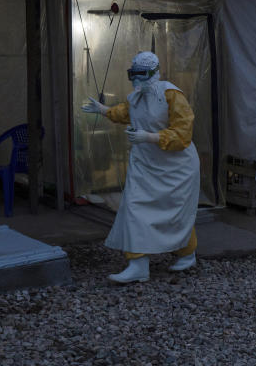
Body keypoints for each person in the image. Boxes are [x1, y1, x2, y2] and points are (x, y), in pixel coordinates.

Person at [81, 51, 200, 283]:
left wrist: (149, 137)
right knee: (133, 208)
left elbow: (183, 135)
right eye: (133, 74)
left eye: (141, 74)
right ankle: (138, 265)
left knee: (175, 212)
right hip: (145, 165)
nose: (136, 79)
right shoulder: (136, 97)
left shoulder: (172, 95)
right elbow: (124, 112)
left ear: (154, 73)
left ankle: (187, 254)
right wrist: (103, 110)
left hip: (177, 167)